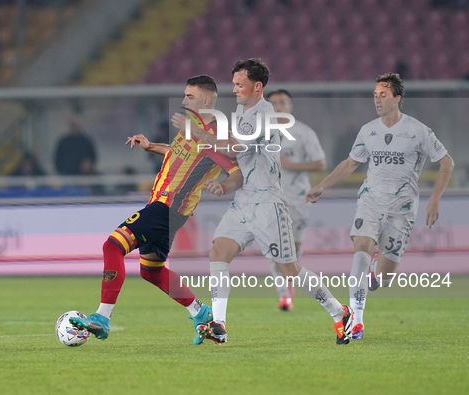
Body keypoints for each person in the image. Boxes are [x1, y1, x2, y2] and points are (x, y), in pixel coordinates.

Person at [69, 75, 242, 345]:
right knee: (152, 270)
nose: (184, 100)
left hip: (168, 206)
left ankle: (102, 318)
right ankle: (201, 313)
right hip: (166, 208)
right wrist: (151, 147)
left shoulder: (216, 130)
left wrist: (222, 183)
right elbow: (179, 153)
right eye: (184, 95)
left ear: (206, 100)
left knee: (112, 246)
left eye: (190, 96)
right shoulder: (192, 127)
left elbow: (235, 154)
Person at [191, 59, 353, 345]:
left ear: (257, 86)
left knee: (289, 269)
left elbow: (237, 148)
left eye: (239, 84)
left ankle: (340, 312)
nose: (234, 89)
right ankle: (219, 324)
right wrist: (225, 183)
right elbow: (240, 163)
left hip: (268, 203)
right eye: (233, 84)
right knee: (218, 253)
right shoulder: (242, 110)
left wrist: (203, 138)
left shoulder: (265, 115)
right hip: (244, 201)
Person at [306, 72, 454, 339]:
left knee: (385, 278)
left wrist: (434, 199)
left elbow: (447, 163)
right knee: (361, 247)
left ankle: (376, 272)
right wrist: (322, 186)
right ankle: (357, 319)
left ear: (397, 98)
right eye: (374, 95)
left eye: (383, 95)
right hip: (370, 201)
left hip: (402, 208)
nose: (377, 99)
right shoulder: (368, 130)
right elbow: (351, 163)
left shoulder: (418, 131)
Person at [267, 89, 327, 311]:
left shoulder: (303, 133)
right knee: (275, 247)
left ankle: (290, 284)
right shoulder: (260, 133)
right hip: (270, 198)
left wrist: (291, 166)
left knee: (294, 248)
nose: (278, 107)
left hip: (298, 198)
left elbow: (320, 164)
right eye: (273, 103)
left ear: (290, 107)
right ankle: (284, 296)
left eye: (282, 102)